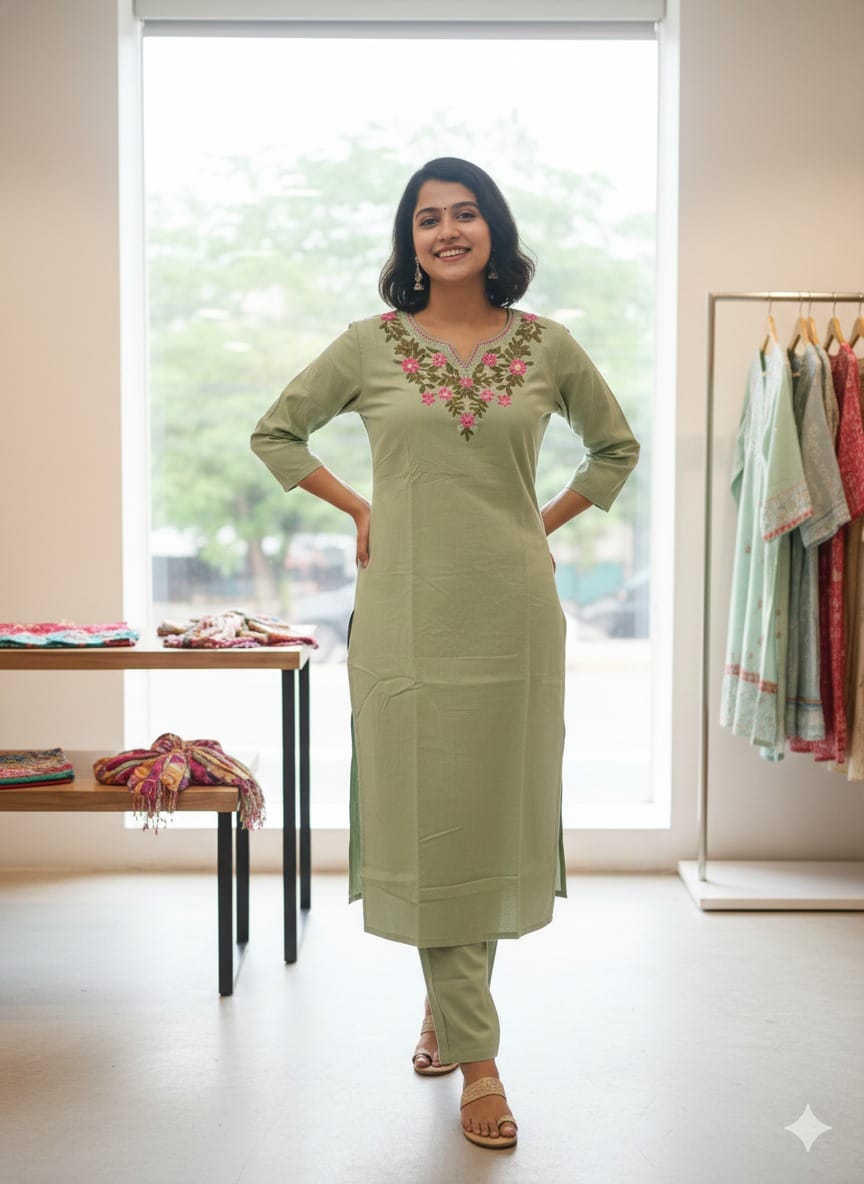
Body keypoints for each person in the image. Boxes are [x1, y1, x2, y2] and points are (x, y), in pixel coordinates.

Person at [251, 157, 639, 1150]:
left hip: (513, 613)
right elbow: (277, 432)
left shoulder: (548, 346)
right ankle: (481, 1059)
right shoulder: (369, 346)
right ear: (410, 241)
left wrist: (539, 521)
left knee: (486, 812)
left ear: (494, 231)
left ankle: (447, 1010)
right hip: (407, 619)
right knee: (430, 818)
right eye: (429, 219)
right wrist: (358, 507)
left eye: (466, 214)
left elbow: (616, 448)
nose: (448, 231)